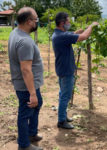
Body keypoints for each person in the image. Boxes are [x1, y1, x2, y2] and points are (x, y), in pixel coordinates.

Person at [52, 12, 98, 129]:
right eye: (68, 21)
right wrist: (91, 26)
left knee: (63, 94)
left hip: (62, 68)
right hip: (66, 70)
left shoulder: (58, 34)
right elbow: (84, 37)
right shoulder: (62, 36)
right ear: (62, 23)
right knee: (65, 96)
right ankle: (61, 121)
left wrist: (75, 33)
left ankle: (63, 116)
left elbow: (69, 35)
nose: (69, 23)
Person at [8, 7, 43, 150]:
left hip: (26, 84)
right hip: (26, 86)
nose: (37, 22)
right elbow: (26, 69)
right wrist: (32, 93)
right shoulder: (25, 41)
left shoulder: (15, 33)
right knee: (25, 113)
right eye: (36, 19)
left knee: (37, 105)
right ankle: (24, 145)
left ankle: (31, 133)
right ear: (29, 21)